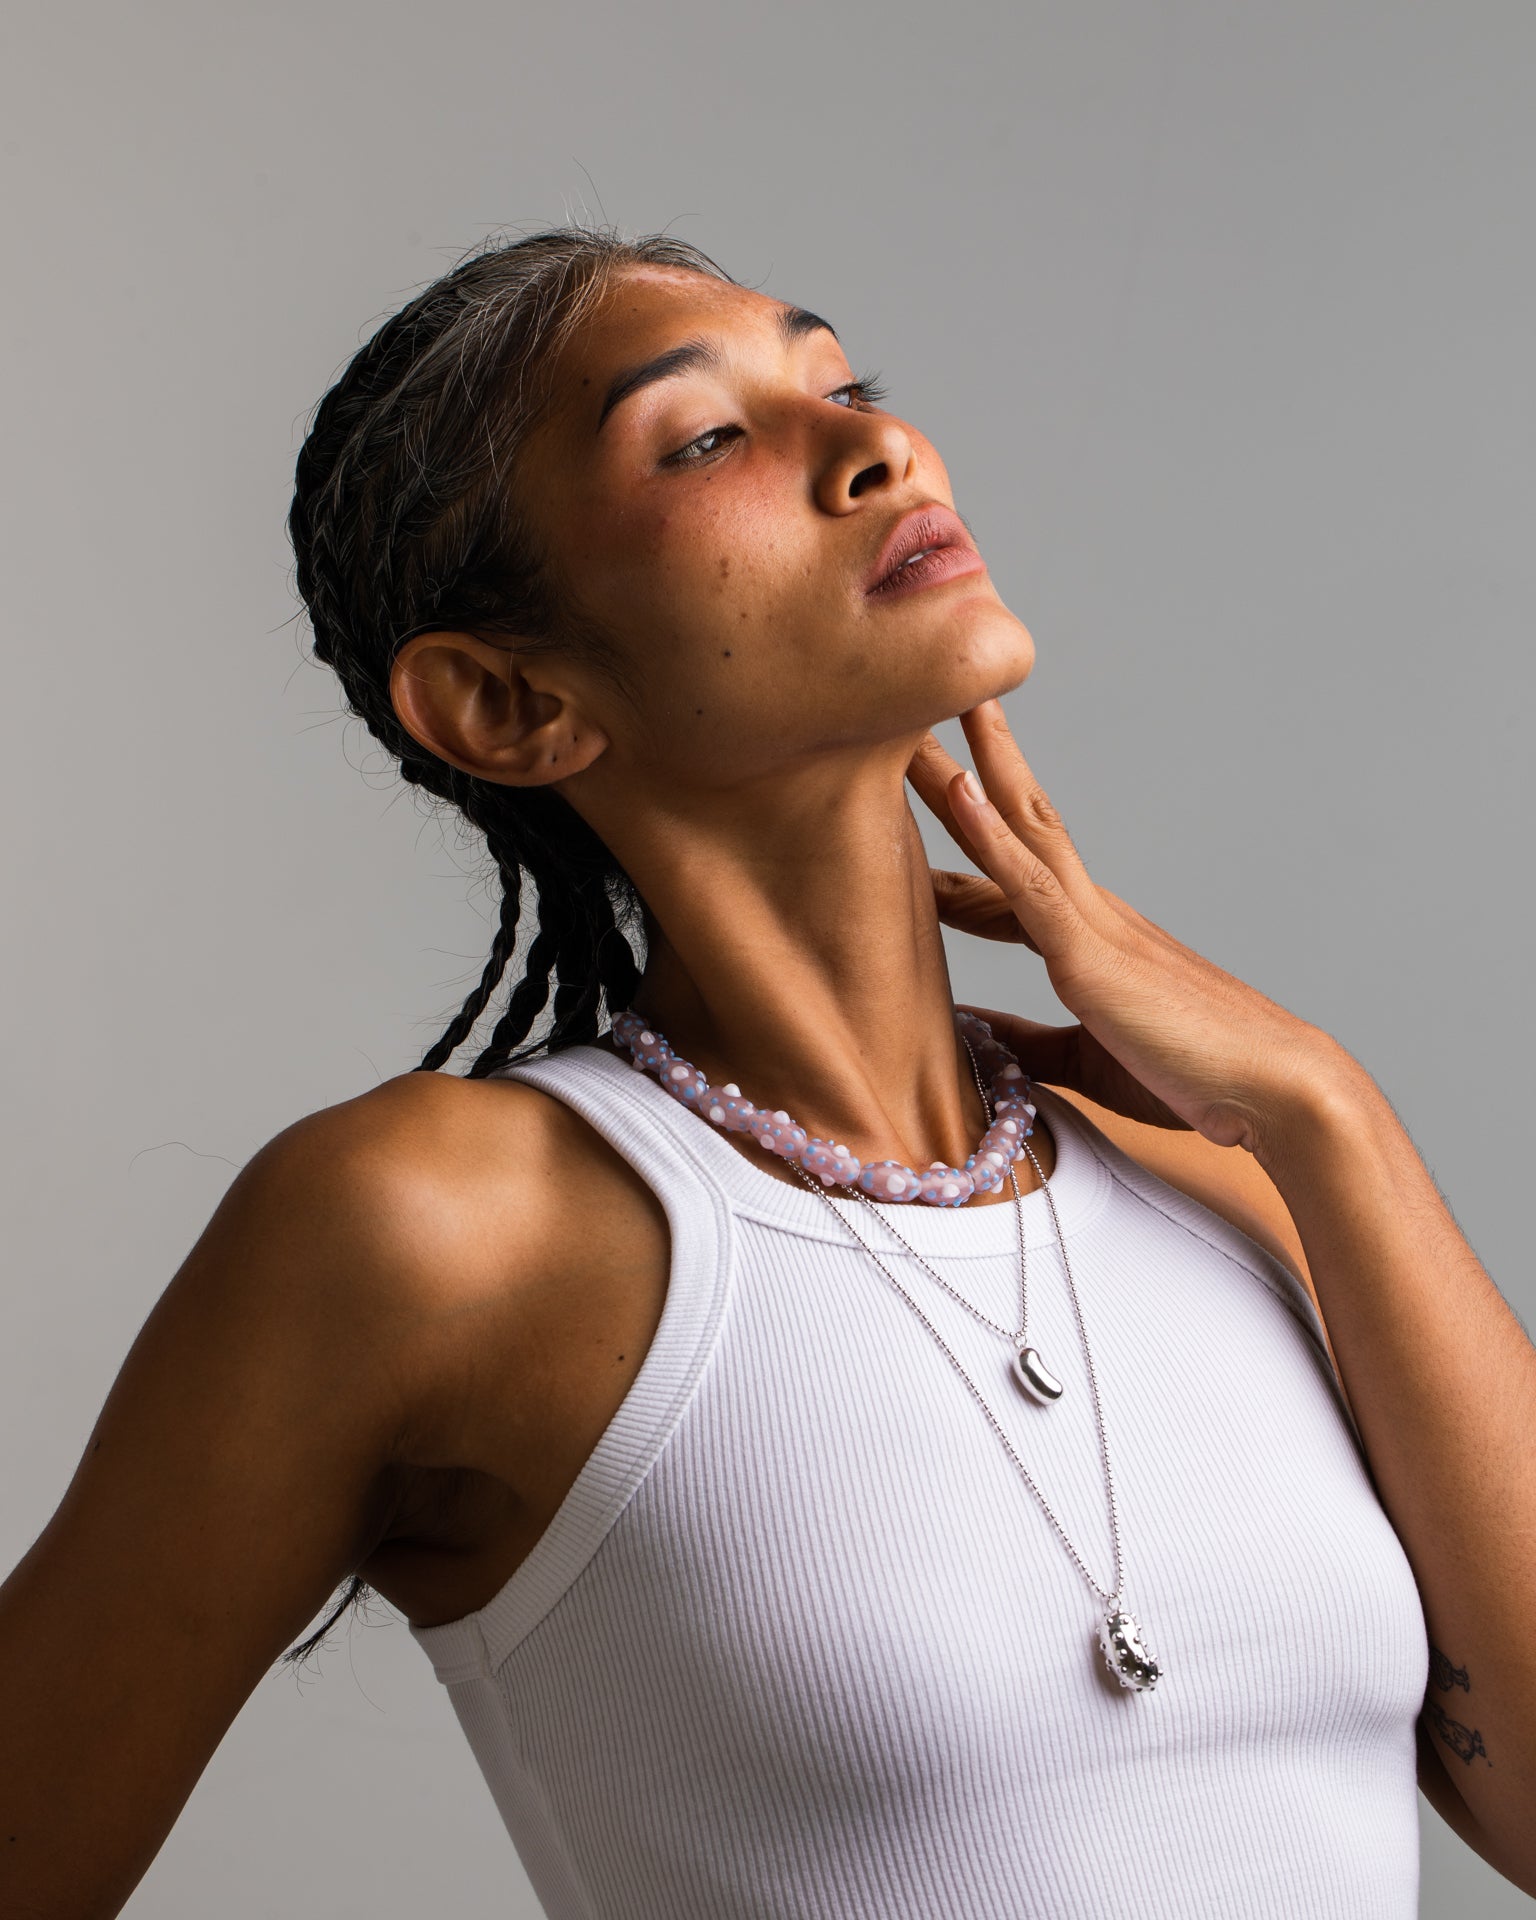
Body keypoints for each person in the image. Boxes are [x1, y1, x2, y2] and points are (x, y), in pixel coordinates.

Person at [2, 225, 1532, 1919]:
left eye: (842, 383)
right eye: (707, 438)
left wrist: (1332, 1114)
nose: (878, 446)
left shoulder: (1227, 1172)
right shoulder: (432, 1232)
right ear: (511, 704)